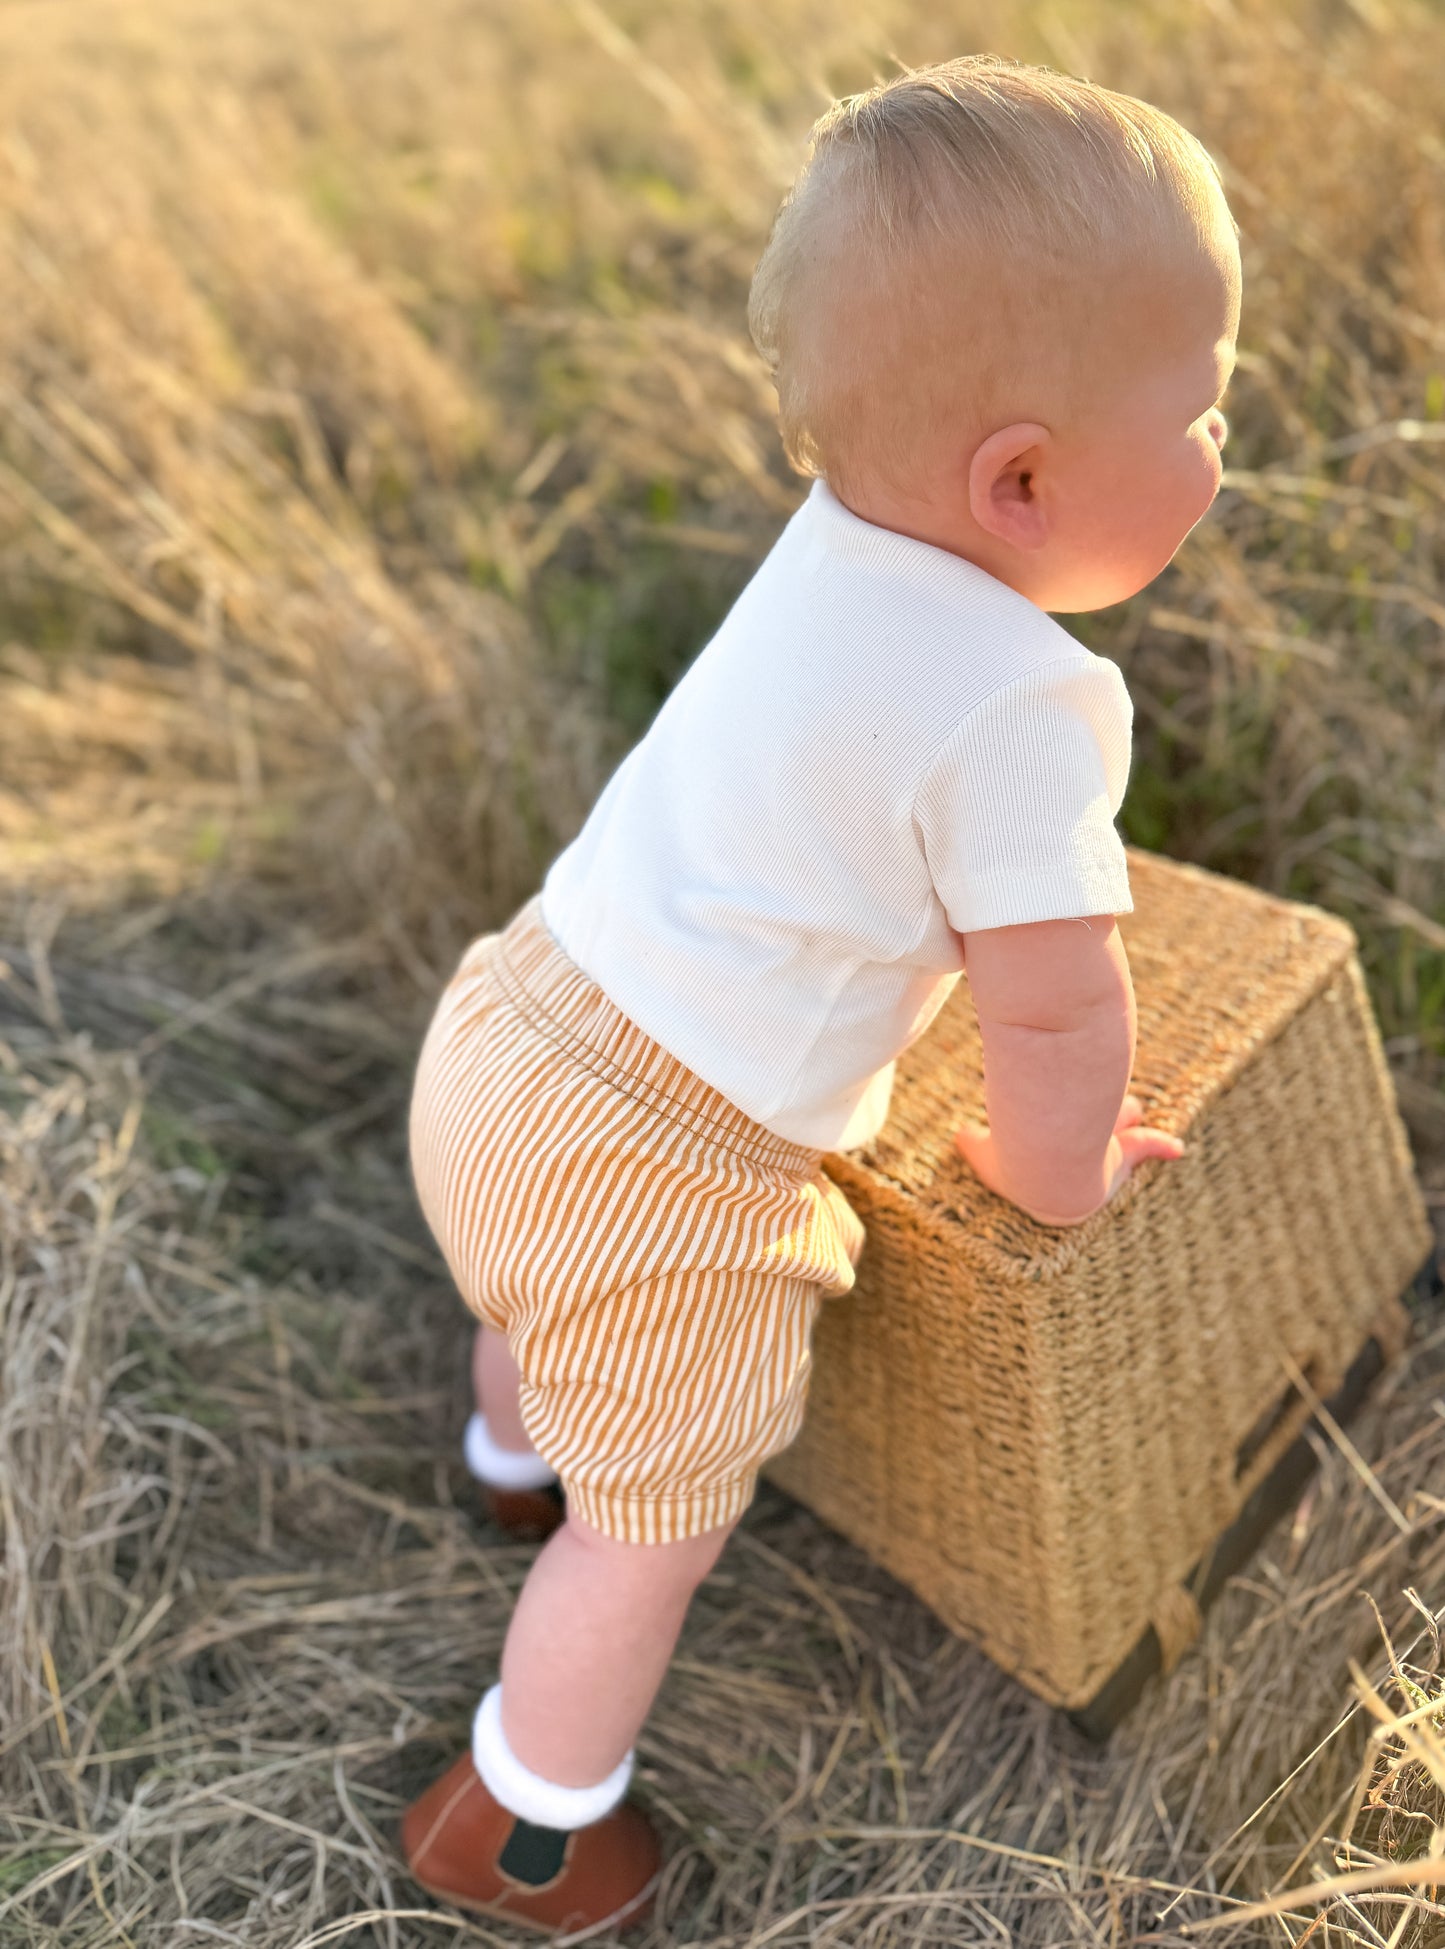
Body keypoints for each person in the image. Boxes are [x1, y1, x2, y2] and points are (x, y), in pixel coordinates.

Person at [400, 52, 1236, 1934]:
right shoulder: (1030, 702)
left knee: (543, 1301)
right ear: (1020, 479)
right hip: (663, 1166)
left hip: (514, 1028)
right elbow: (1049, 1006)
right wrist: (1059, 1173)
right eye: (1205, 408)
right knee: (661, 1519)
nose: (1219, 449)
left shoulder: (833, 546)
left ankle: (502, 1455)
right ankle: (523, 1814)